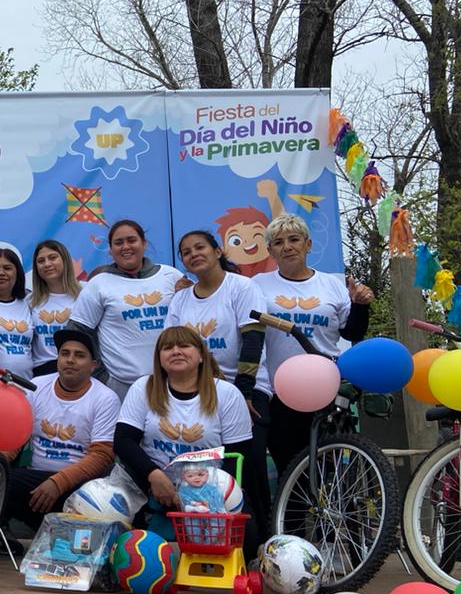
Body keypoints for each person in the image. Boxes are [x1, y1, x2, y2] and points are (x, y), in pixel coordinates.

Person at [252, 213, 373, 474]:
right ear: (270, 251)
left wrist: (360, 306)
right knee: (290, 467)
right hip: (278, 390)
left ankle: (335, 513)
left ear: (308, 244)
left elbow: (352, 332)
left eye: (294, 239)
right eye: (278, 242)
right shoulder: (257, 285)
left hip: (324, 387)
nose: (287, 246)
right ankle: (293, 516)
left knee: (329, 468)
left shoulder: (331, 284)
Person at [166, 229, 269, 522]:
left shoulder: (241, 287)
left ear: (218, 251)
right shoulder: (181, 299)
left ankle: (258, 536)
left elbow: (253, 341)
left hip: (247, 389)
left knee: (248, 465)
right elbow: (169, 345)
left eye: (200, 247)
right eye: (187, 252)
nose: (194, 254)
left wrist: (243, 394)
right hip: (196, 390)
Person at [113, 326, 253, 526]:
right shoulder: (143, 387)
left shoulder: (227, 393)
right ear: (159, 358)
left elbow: (239, 457)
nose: (176, 351)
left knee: (248, 538)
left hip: (210, 492)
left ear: (202, 356)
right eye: (168, 347)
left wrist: (197, 493)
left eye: (184, 346)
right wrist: (154, 476)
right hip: (152, 486)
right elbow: (123, 442)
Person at [3, 329, 120, 530]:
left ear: (93, 365)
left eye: (79, 355)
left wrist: (58, 483)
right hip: (35, 482)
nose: (70, 360)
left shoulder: (106, 399)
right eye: (65, 354)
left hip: (79, 486)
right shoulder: (36, 387)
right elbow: (15, 436)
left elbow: (101, 455)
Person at [70, 220, 184, 398]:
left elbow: (193, 321)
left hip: (172, 382)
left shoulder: (171, 276)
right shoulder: (99, 283)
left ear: (144, 243)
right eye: (118, 243)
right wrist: (102, 376)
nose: (126, 247)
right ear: (110, 249)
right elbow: (76, 333)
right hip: (120, 387)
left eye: (131, 240)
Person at [28, 239, 82, 376]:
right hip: (42, 372)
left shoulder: (84, 295)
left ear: (64, 260)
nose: (47, 264)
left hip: (77, 371)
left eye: (52, 258)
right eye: (41, 261)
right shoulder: (29, 301)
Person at [0, 248, 34, 381]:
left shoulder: (29, 303)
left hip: (27, 383)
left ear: (18, 274)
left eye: (7, 268)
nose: (1, 273)